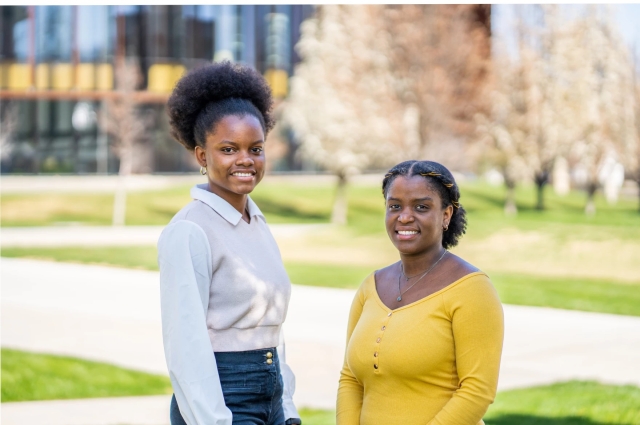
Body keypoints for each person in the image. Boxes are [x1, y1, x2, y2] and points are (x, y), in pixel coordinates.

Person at [158, 61, 301, 425]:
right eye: (228, 149)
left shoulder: (257, 222)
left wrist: (287, 409)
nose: (245, 160)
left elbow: (271, 330)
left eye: (256, 148)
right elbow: (185, 346)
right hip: (223, 402)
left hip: (272, 395)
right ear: (202, 156)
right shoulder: (190, 230)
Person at [336, 160, 504, 425]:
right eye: (395, 206)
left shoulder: (472, 289)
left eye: (421, 207)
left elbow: (477, 391)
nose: (404, 217)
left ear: (446, 215)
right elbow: (350, 379)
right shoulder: (371, 286)